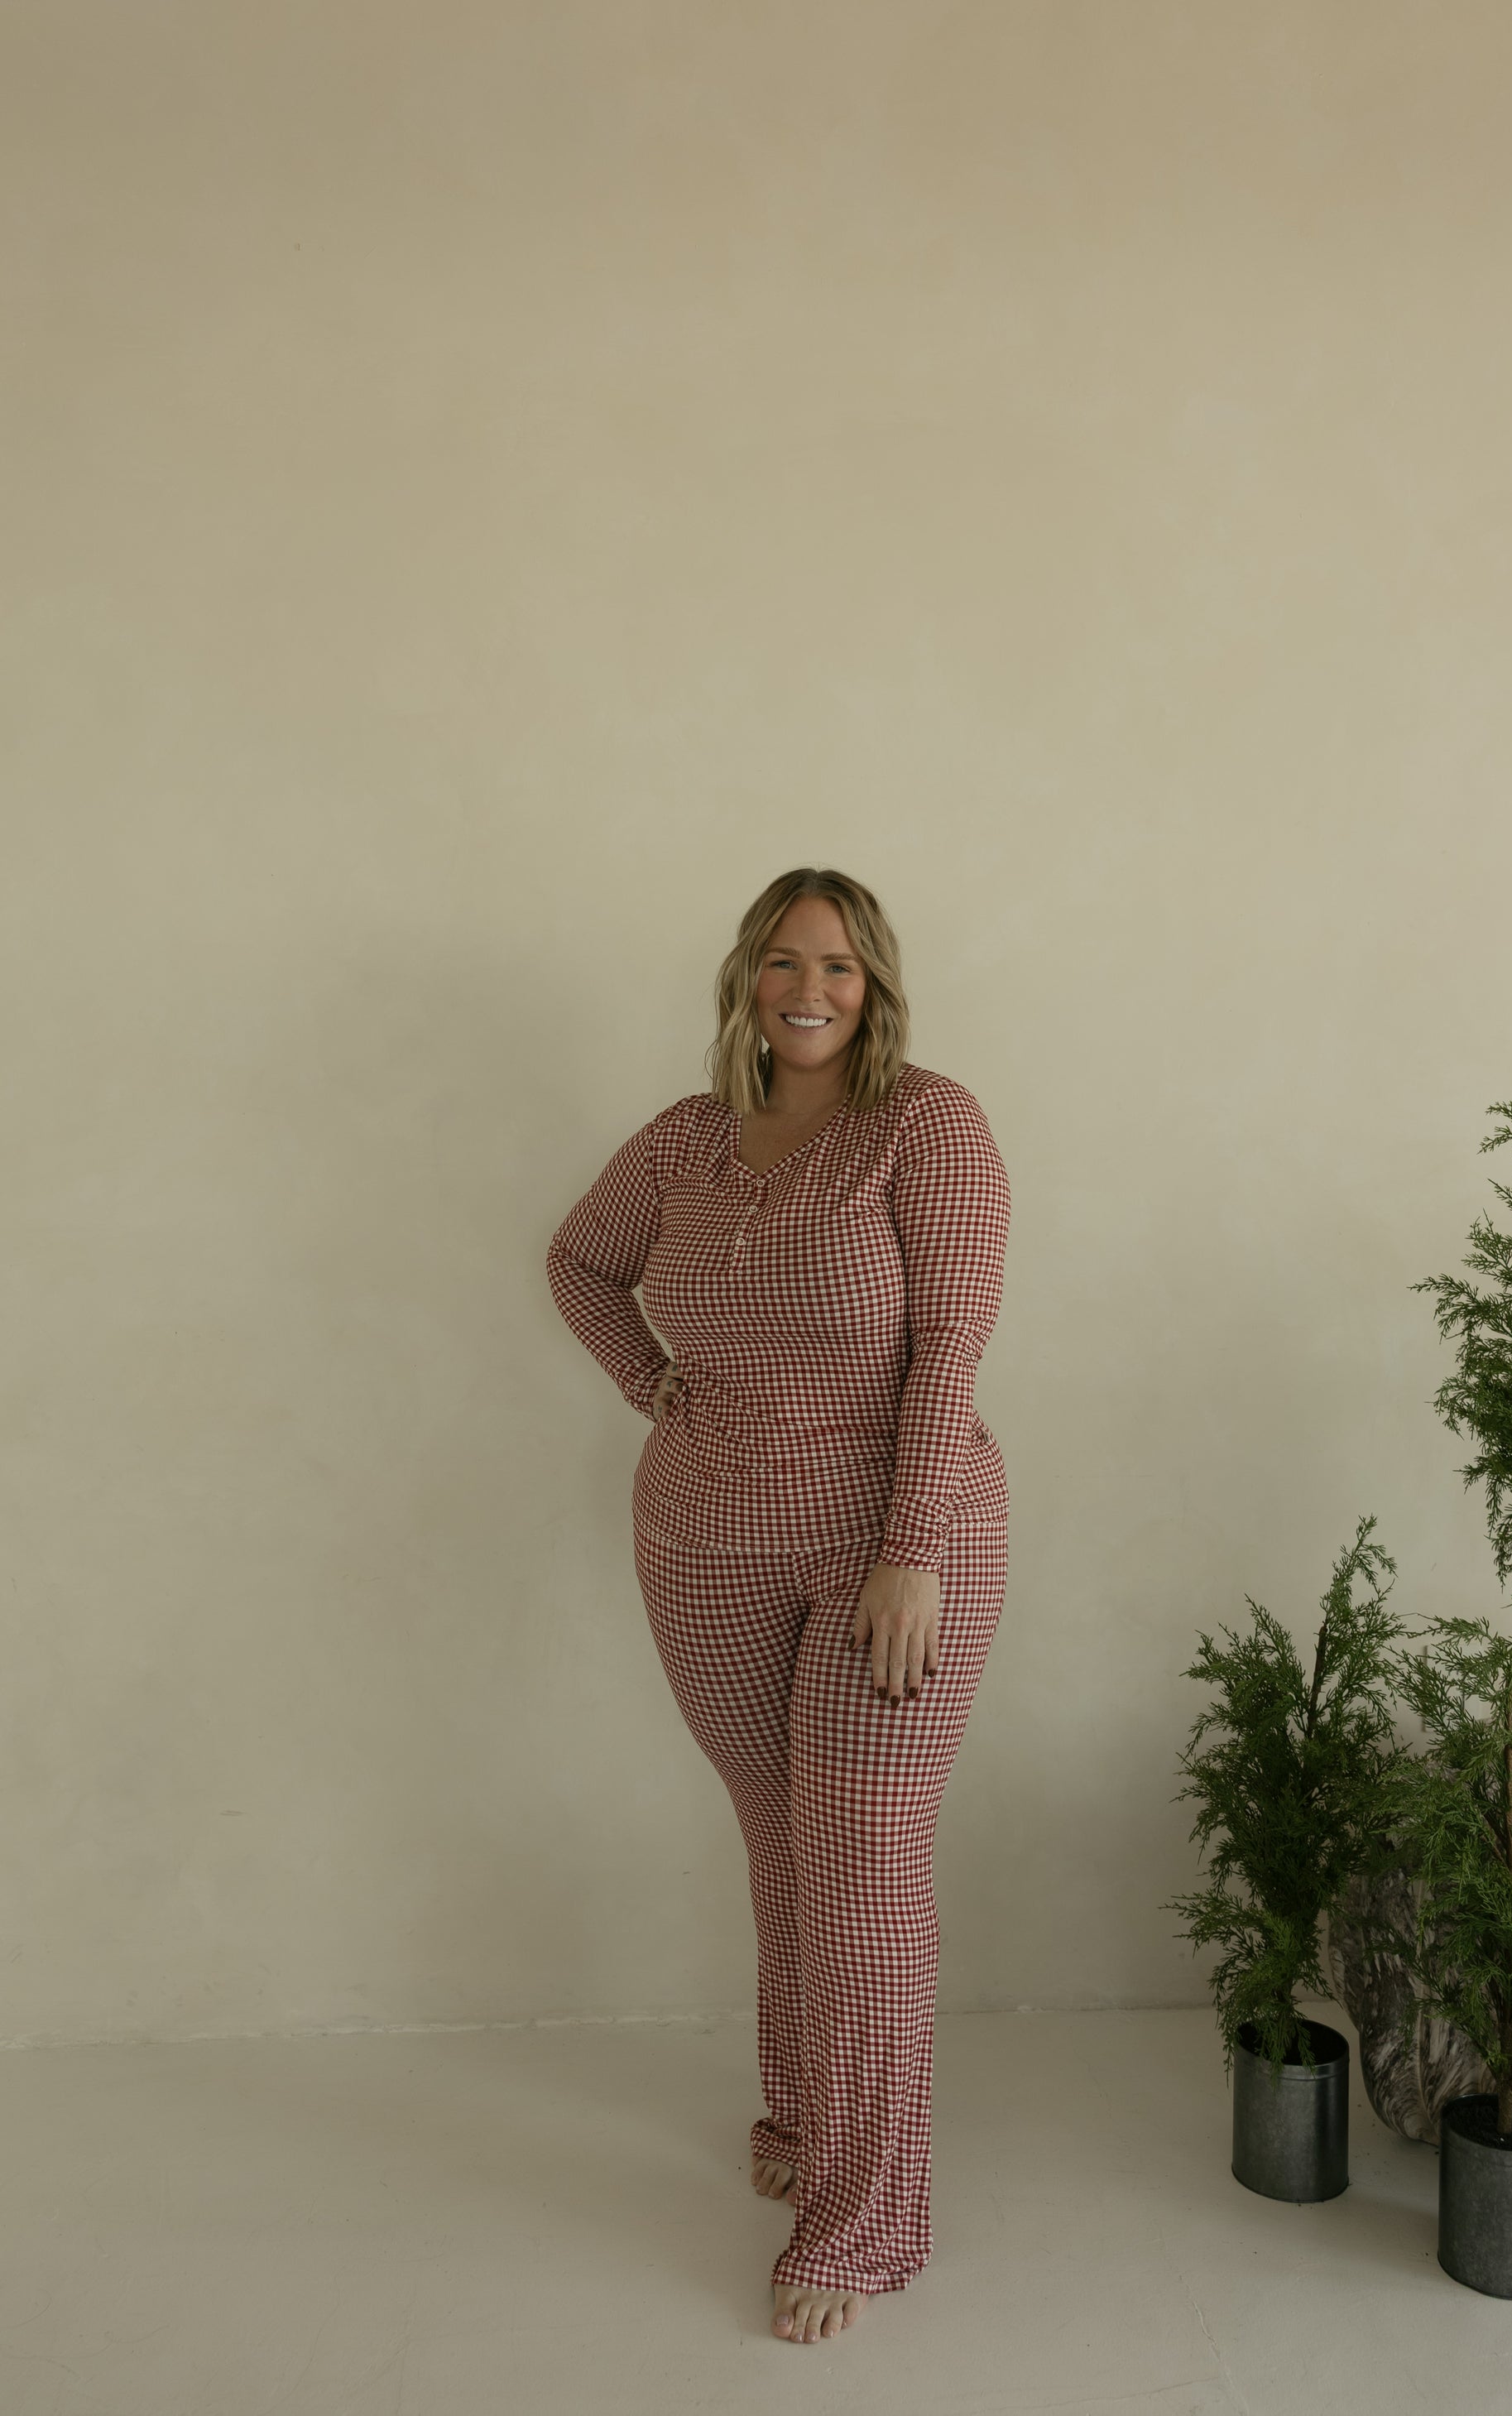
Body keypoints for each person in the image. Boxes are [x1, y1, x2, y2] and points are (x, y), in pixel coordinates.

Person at [545, 866, 1010, 2345]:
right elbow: (578, 1262)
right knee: (784, 1845)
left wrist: (915, 1545)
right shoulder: (686, 1141)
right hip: (704, 1547)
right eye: (781, 963)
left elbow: (952, 1346)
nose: (808, 992)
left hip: (893, 1551)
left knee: (865, 1869)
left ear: (875, 988)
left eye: (840, 969)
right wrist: (649, 1381)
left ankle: (867, 2217)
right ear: (744, 978)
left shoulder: (924, 1126)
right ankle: (807, 2124)